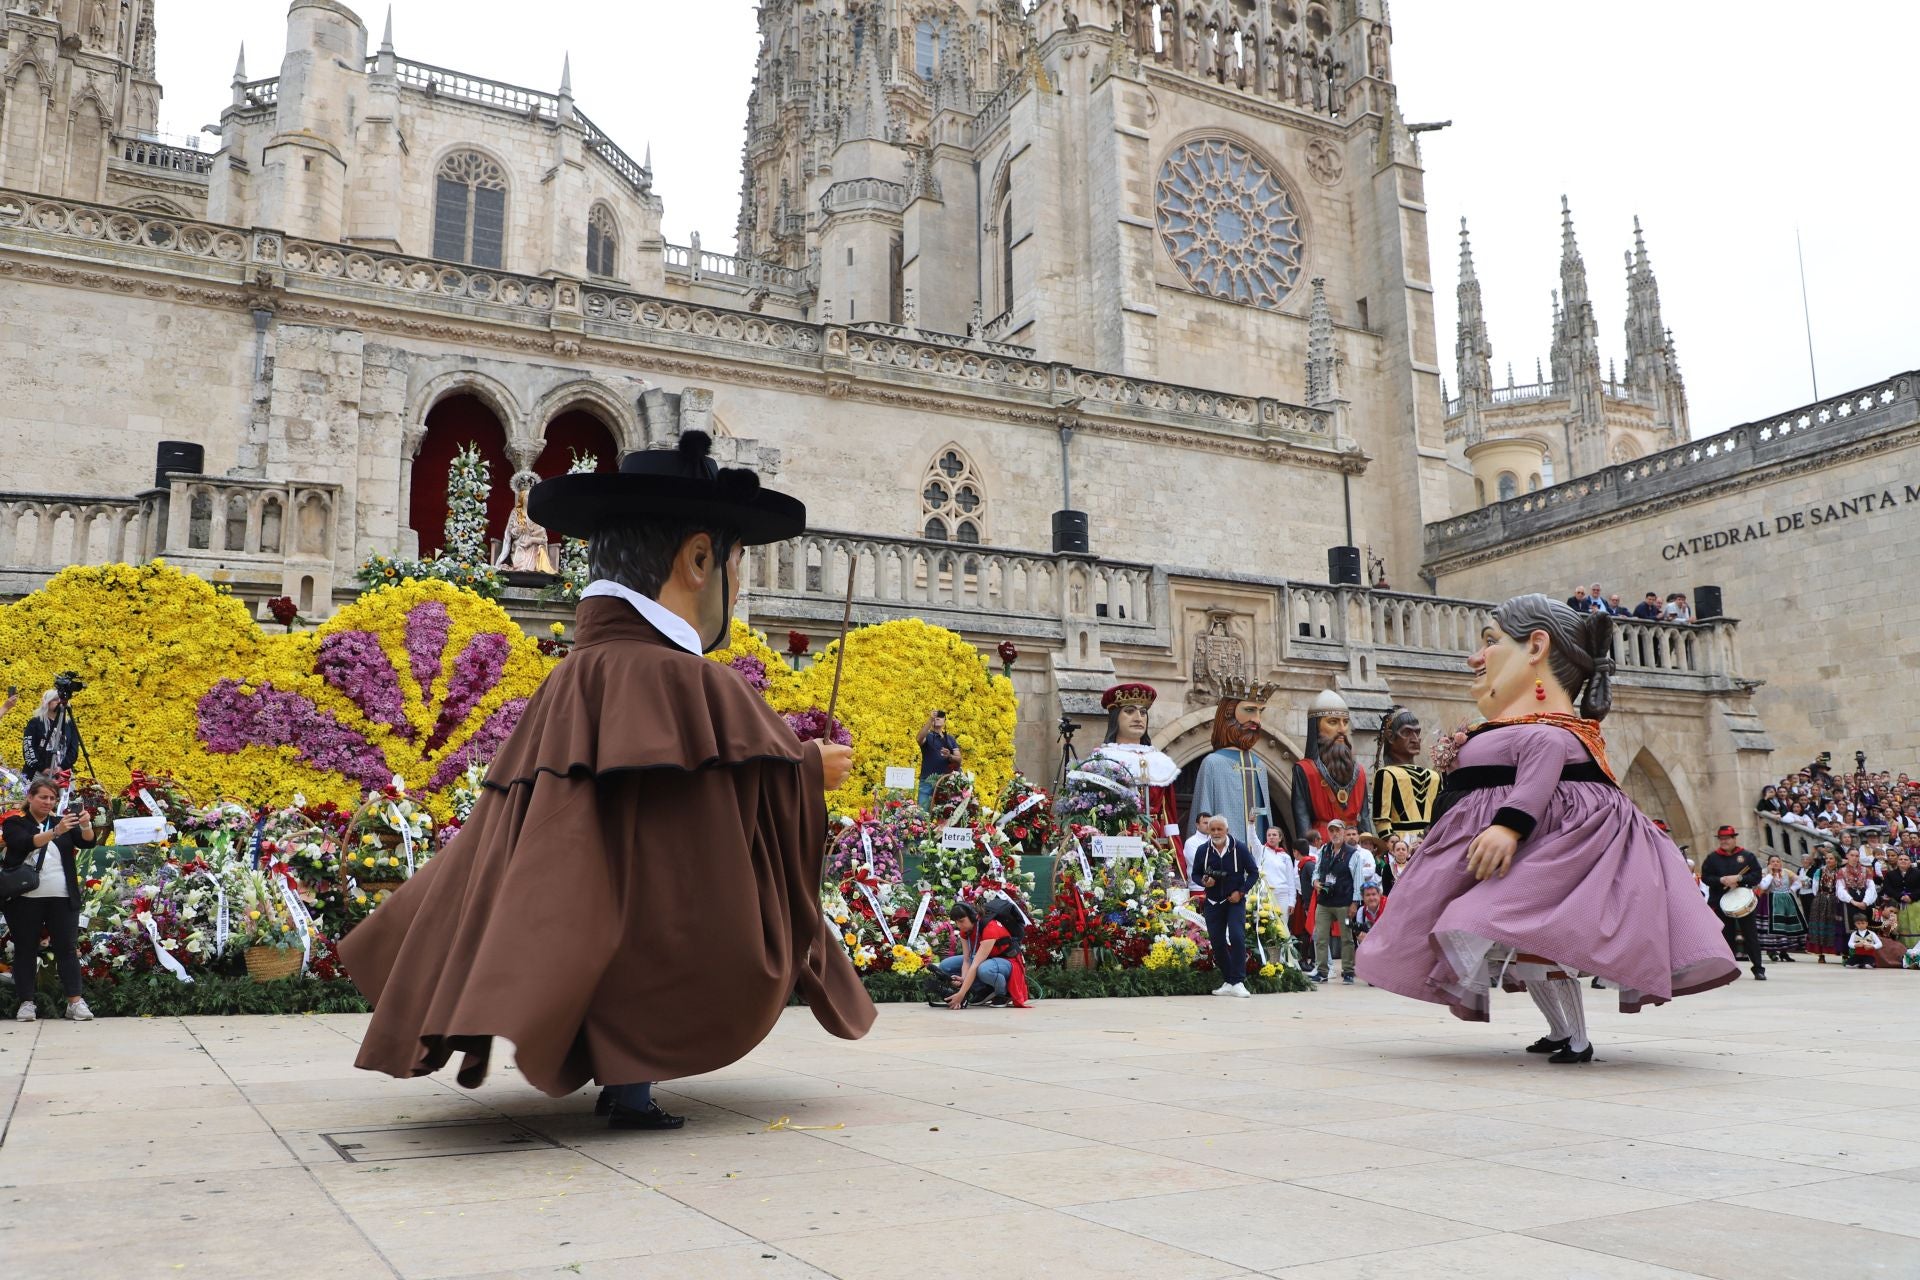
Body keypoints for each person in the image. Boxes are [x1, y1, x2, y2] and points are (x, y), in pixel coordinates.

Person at [338, 431, 875, 1132]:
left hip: (606, 889)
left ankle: (625, 1076)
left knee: (607, 919)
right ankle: (629, 1077)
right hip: (646, 898)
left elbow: (697, 784)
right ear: (698, 559)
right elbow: (728, 791)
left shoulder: (579, 671)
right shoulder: (682, 677)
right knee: (650, 920)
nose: (736, 587)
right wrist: (810, 772)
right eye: (735, 565)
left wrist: (793, 769)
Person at [1355, 595, 1738, 1065]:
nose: (1475, 657)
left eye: (1490, 642)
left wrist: (1509, 827)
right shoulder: (1517, 730)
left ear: (1537, 647)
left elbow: (1536, 782)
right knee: (1525, 957)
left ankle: (1577, 1039)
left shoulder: (1550, 733)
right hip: (1522, 855)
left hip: (1551, 858)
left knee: (1503, 936)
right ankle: (1560, 1032)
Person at [2, 776, 98, 1022]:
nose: (47, 802)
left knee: (67, 948)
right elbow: (22, 843)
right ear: (30, 797)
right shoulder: (16, 822)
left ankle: (74, 1002)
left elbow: (87, 842)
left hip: (62, 897)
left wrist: (85, 825)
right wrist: (56, 832)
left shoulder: (61, 822)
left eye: (52, 798)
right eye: (42, 797)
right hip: (24, 898)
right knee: (25, 949)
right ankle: (26, 1003)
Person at [1092, 681, 1181, 849]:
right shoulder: (1103, 758)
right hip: (1117, 839)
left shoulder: (1160, 761)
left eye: (1143, 712)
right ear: (1115, 717)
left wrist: (1174, 849)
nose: (1138, 718)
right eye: (1129, 711)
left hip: (1156, 843)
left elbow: (1169, 812)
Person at [1190, 687, 1279, 849]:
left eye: (1260, 712)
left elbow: (1265, 815)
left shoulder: (1259, 764)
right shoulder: (1212, 763)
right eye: (1250, 710)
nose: (1257, 720)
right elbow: (1203, 815)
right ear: (1228, 713)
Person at [1290, 689, 1373, 852]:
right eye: (1333, 722)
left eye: (1345, 722)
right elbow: (1303, 822)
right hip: (1322, 848)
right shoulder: (1305, 770)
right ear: (1316, 727)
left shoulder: (1360, 772)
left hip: (1355, 847)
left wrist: (1369, 850)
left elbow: (1364, 820)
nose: (1342, 729)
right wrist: (1309, 856)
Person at [1193, 815, 1257, 997]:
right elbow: (1195, 874)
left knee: (1237, 937)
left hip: (1234, 901)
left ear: (1226, 830)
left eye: (1219, 829)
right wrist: (1204, 881)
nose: (1215, 833)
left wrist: (1241, 892)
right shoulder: (1202, 850)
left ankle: (1239, 981)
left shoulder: (1240, 848)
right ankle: (1229, 980)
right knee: (1217, 942)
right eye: (1212, 829)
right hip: (1213, 902)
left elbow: (1253, 873)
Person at [1700, 827, 1766, 980]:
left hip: (1743, 901)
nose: (1724, 841)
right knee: (1725, 936)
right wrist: (1721, 880)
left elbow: (1756, 875)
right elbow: (1706, 877)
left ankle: (1758, 969)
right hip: (1720, 900)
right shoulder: (1712, 858)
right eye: (1722, 839)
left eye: (1728, 838)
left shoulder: (1746, 856)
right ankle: (1726, 969)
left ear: (1734, 839)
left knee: (1750, 935)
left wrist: (1740, 879)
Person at [934, 900, 1027, 1008]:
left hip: (1008, 961)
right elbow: (966, 960)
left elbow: (975, 965)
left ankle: (1004, 993)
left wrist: (961, 994)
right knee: (945, 966)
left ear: (974, 917)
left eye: (962, 921)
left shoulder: (990, 928)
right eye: (956, 922)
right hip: (988, 959)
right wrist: (963, 979)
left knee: (984, 969)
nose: (959, 925)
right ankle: (984, 990)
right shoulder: (965, 930)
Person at [1372, 705, 1438, 843]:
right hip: (1401, 844)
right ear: (1390, 736)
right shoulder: (1386, 774)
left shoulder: (1434, 776)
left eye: (1417, 732)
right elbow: (1381, 819)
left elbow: (1441, 815)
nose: (1415, 739)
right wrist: (1394, 843)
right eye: (1407, 733)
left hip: (1430, 843)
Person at [1310, 820, 1365, 984]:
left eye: (1338, 831)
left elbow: (1358, 880)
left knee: (1347, 937)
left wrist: (1355, 903)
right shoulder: (1323, 850)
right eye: (1331, 831)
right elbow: (1317, 871)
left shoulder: (1353, 854)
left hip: (1344, 903)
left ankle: (1348, 971)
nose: (1335, 834)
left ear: (1343, 832)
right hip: (1324, 902)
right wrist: (1315, 882)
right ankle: (1322, 971)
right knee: (1320, 936)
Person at [1755, 854, 1805, 962]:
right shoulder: (1764, 872)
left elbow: (1799, 881)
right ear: (1768, 863)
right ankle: (1771, 951)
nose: (1775, 863)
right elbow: (1763, 886)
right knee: (1771, 927)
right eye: (1772, 861)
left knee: (1785, 926)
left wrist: (1792, 889)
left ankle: (1784, 952)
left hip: (1786, 902)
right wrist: (1770, 873)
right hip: (1770, 901)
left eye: (1777, 861)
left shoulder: (1786, 872)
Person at [21, 689, 79, 779]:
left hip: (63, 774)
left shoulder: (69, 724)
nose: (59, 701)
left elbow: (73, 750)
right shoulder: (36, 722)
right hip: (38, 773)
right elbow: (28, 747)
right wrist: (42, 768)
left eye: (62, 699)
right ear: (47, 702)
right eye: (55, 699)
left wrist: (62, 767)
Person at [1803, 846, 1844, 962]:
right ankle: (1820, 954)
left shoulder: (1840, 872)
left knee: (1833, 925)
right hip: (1820, 900)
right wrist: (1820, 897)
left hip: (1834, 900)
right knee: (1819, 925)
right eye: (1827, 858)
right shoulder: (1819, 871)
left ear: (1836, 860)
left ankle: (1834, 950)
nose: (1828, 861)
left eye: (1831, 859)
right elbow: (1815, 887)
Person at [917, 710, 961, 809]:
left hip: (946, 782)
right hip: (927, 780)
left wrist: (950, 756)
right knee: (921, 813)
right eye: (935, 716)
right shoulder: (927, 736)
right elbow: (919, 739)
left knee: (943, 814)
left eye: (940, 716)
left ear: (944, 721)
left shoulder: (950, 739)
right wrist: (930, 720)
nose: (937, 718)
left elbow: (958, 759)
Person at [1348, 883, 1386, 962]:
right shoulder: (1361, 911)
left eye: (1374, 894)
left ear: (1379, 895)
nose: (1371, 898)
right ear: (1363, 897)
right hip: (1373, 947)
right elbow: (1361, 939)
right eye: (1368, 895)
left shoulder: (1389, 906)